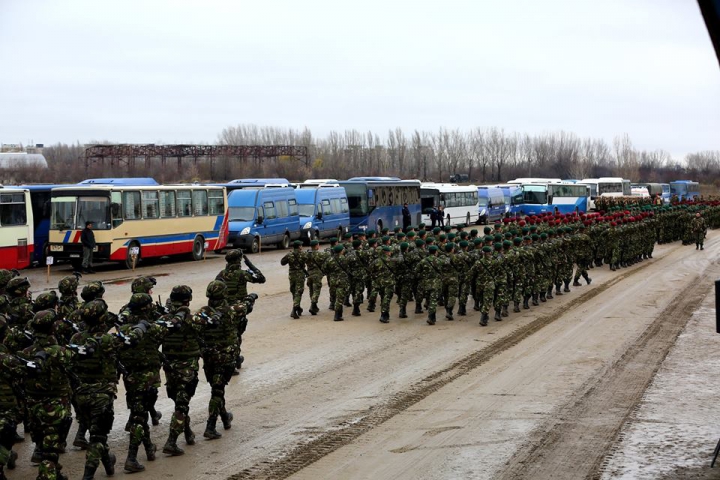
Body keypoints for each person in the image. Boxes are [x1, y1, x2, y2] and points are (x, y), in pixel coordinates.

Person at [280, 241, 308, 319]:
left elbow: (282, 262)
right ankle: (294, 310)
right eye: (301, 246)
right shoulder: (303, 254)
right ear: (299, 247)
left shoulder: (289, 255)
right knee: (299, 292)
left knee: (294, 291)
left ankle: (298, 308)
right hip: (300, 275)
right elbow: (309, 261)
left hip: (292, 275)